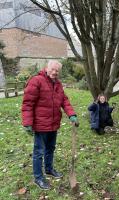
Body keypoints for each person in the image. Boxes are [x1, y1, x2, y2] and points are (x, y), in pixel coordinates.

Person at [21, 60, 79, 190]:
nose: (54, 72)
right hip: (41, 124)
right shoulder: (36, 81)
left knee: (50, 148)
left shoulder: (58, 84)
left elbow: (64, 100)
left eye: (57, 70)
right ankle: (38, 178)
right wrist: (27, 123)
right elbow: (27, 103)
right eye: (52, 69)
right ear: (46, 68)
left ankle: (48, 169)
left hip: (53, 124)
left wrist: (71, 114)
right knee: (38, 152)